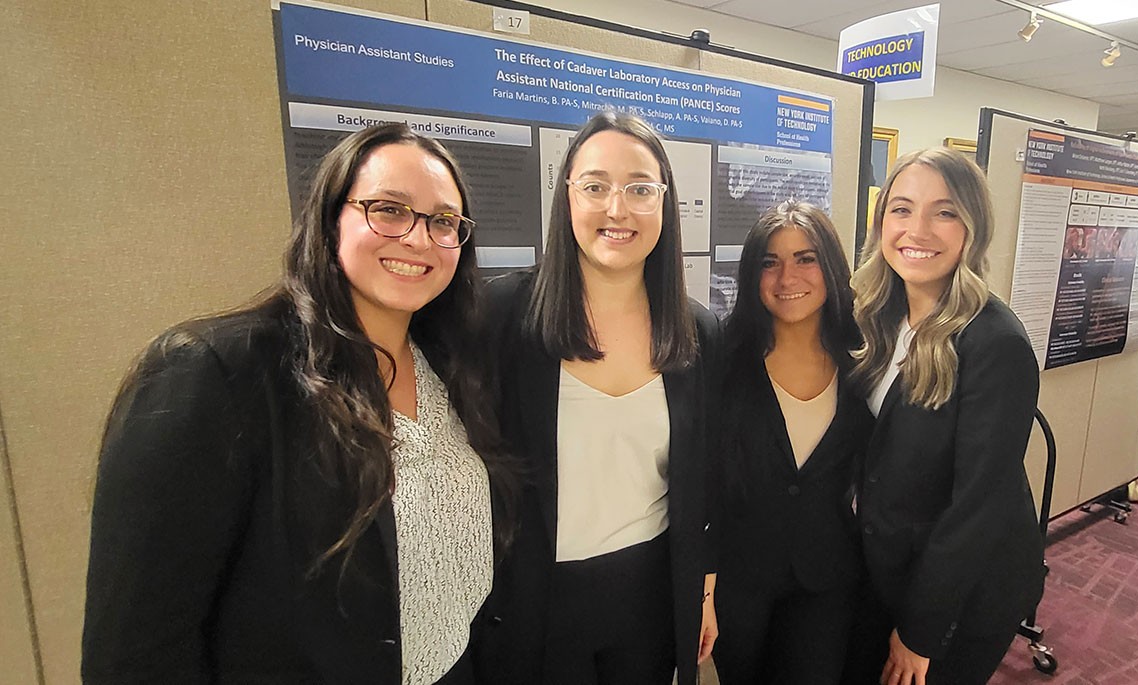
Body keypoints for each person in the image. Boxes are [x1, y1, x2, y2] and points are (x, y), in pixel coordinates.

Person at [82, 123, 516, 684]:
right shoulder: (216, 372)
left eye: (443, 221)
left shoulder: (453, 364)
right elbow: (136, 650)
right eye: (389, 209)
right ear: (330, 217)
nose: (418, 239)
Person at [473, 111, 719, 685]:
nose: (618, 208)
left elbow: (702, 478)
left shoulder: (697, 333)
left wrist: (703, 584)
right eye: (595, 186)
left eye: (640, 188)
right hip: (535, 594)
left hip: (650, 594)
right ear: (566, 198)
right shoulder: (501, 318)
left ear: (665, 202)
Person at [851, 148, 1046, 685]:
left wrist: (921, 630)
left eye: (945, 212)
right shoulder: (876, 314)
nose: (919, 229)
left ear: (972, 228)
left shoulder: (995, 342)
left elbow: (978, 506)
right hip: (890, 564)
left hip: (964, 590)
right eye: (901, 209)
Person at [711, 202, 874, 684]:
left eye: (805, 259)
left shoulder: (862, 357)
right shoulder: (722, 356)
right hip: (740, 576)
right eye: (769, 262)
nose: (787, 278)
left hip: (827, 575)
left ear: (831, 268)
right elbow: (703, 476)